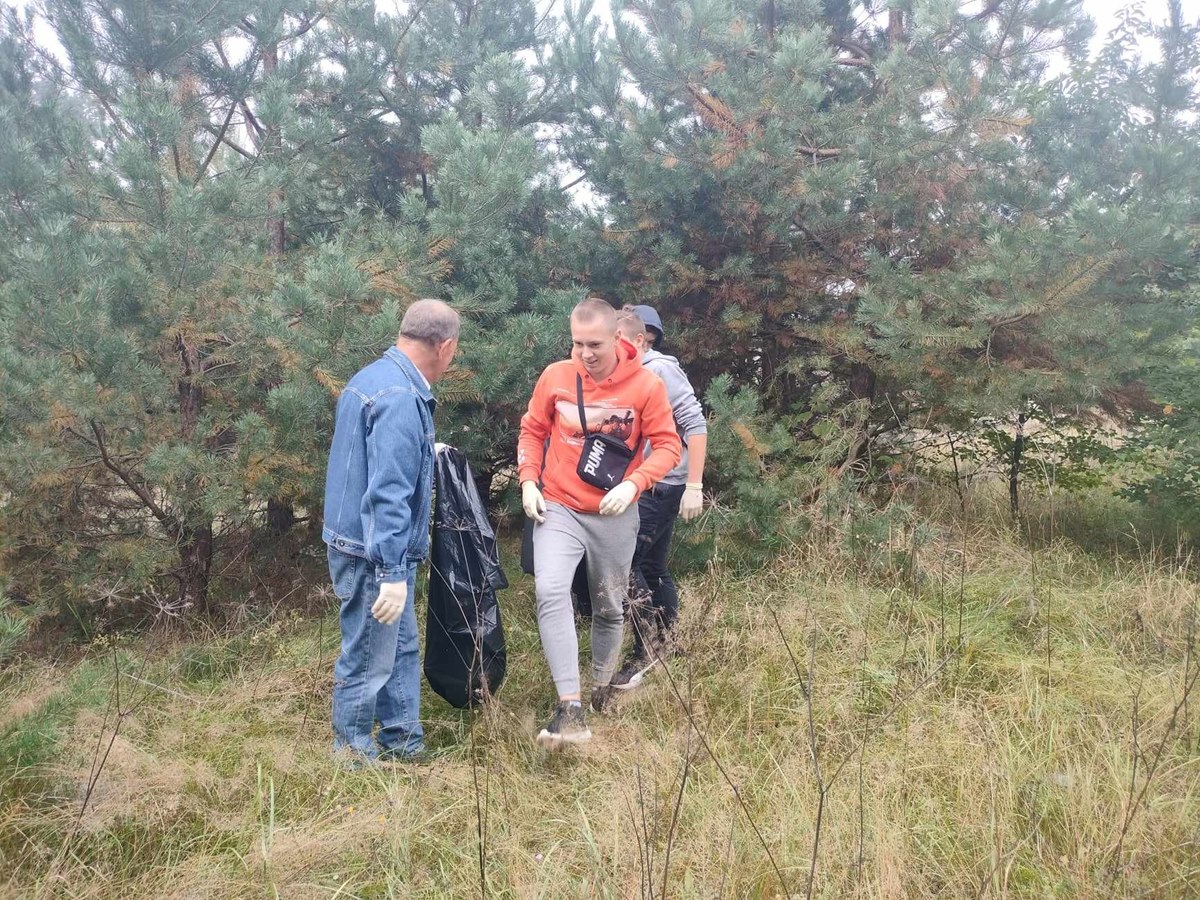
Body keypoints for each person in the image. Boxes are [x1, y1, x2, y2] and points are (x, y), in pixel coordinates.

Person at [518, 298, 681, 747]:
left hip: (614, 514)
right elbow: (532, 430)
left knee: (609, 607)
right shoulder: (556, 376)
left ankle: (601, 689)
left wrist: (634, 484)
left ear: (618, 339)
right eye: (578, 344)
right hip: (559, 506)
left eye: (595, 345)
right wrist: (529, 480)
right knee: (551, 590)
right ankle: (569, 707)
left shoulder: (646, 386)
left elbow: (669, 446)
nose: (585, 353)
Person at [322, 299, 461, 763]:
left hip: (357, 540)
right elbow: (388, 493)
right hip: (372, 551)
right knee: (367, 654)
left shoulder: (371, 378)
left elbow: (369, 462)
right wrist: (391, 571)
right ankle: (352, 755)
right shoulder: (401, 397)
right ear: (445, 346)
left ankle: (404, 742)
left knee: (399, 647)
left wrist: (422, 452)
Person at [610, 305, 708, 690]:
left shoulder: (660, 369)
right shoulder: (622, 372)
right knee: (653, 567)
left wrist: (694, 486)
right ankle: (668, 641)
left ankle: (646, 649)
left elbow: (695, 424)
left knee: (625, 564)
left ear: (645, 338)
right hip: (644, 482)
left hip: (662, 483)